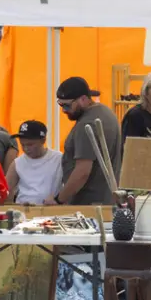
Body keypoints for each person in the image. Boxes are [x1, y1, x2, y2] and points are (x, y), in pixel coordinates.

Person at [53, 76, 121, 206]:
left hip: (88, 205)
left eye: (67, 105)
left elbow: (82, 172)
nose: (64, 110)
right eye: (60, 105)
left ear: (83, 99)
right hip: (106, 201)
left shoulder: (87, 125)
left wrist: (59, 200)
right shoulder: (106, 112)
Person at [7, 121, 63, 206]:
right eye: (22, 145)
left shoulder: (59, 158)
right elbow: (6, 189)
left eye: (30, 145)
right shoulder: (17, 163)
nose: (26, 149)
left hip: (51, 209)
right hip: (24, 209)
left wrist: (59, 198)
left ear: (43, 140)